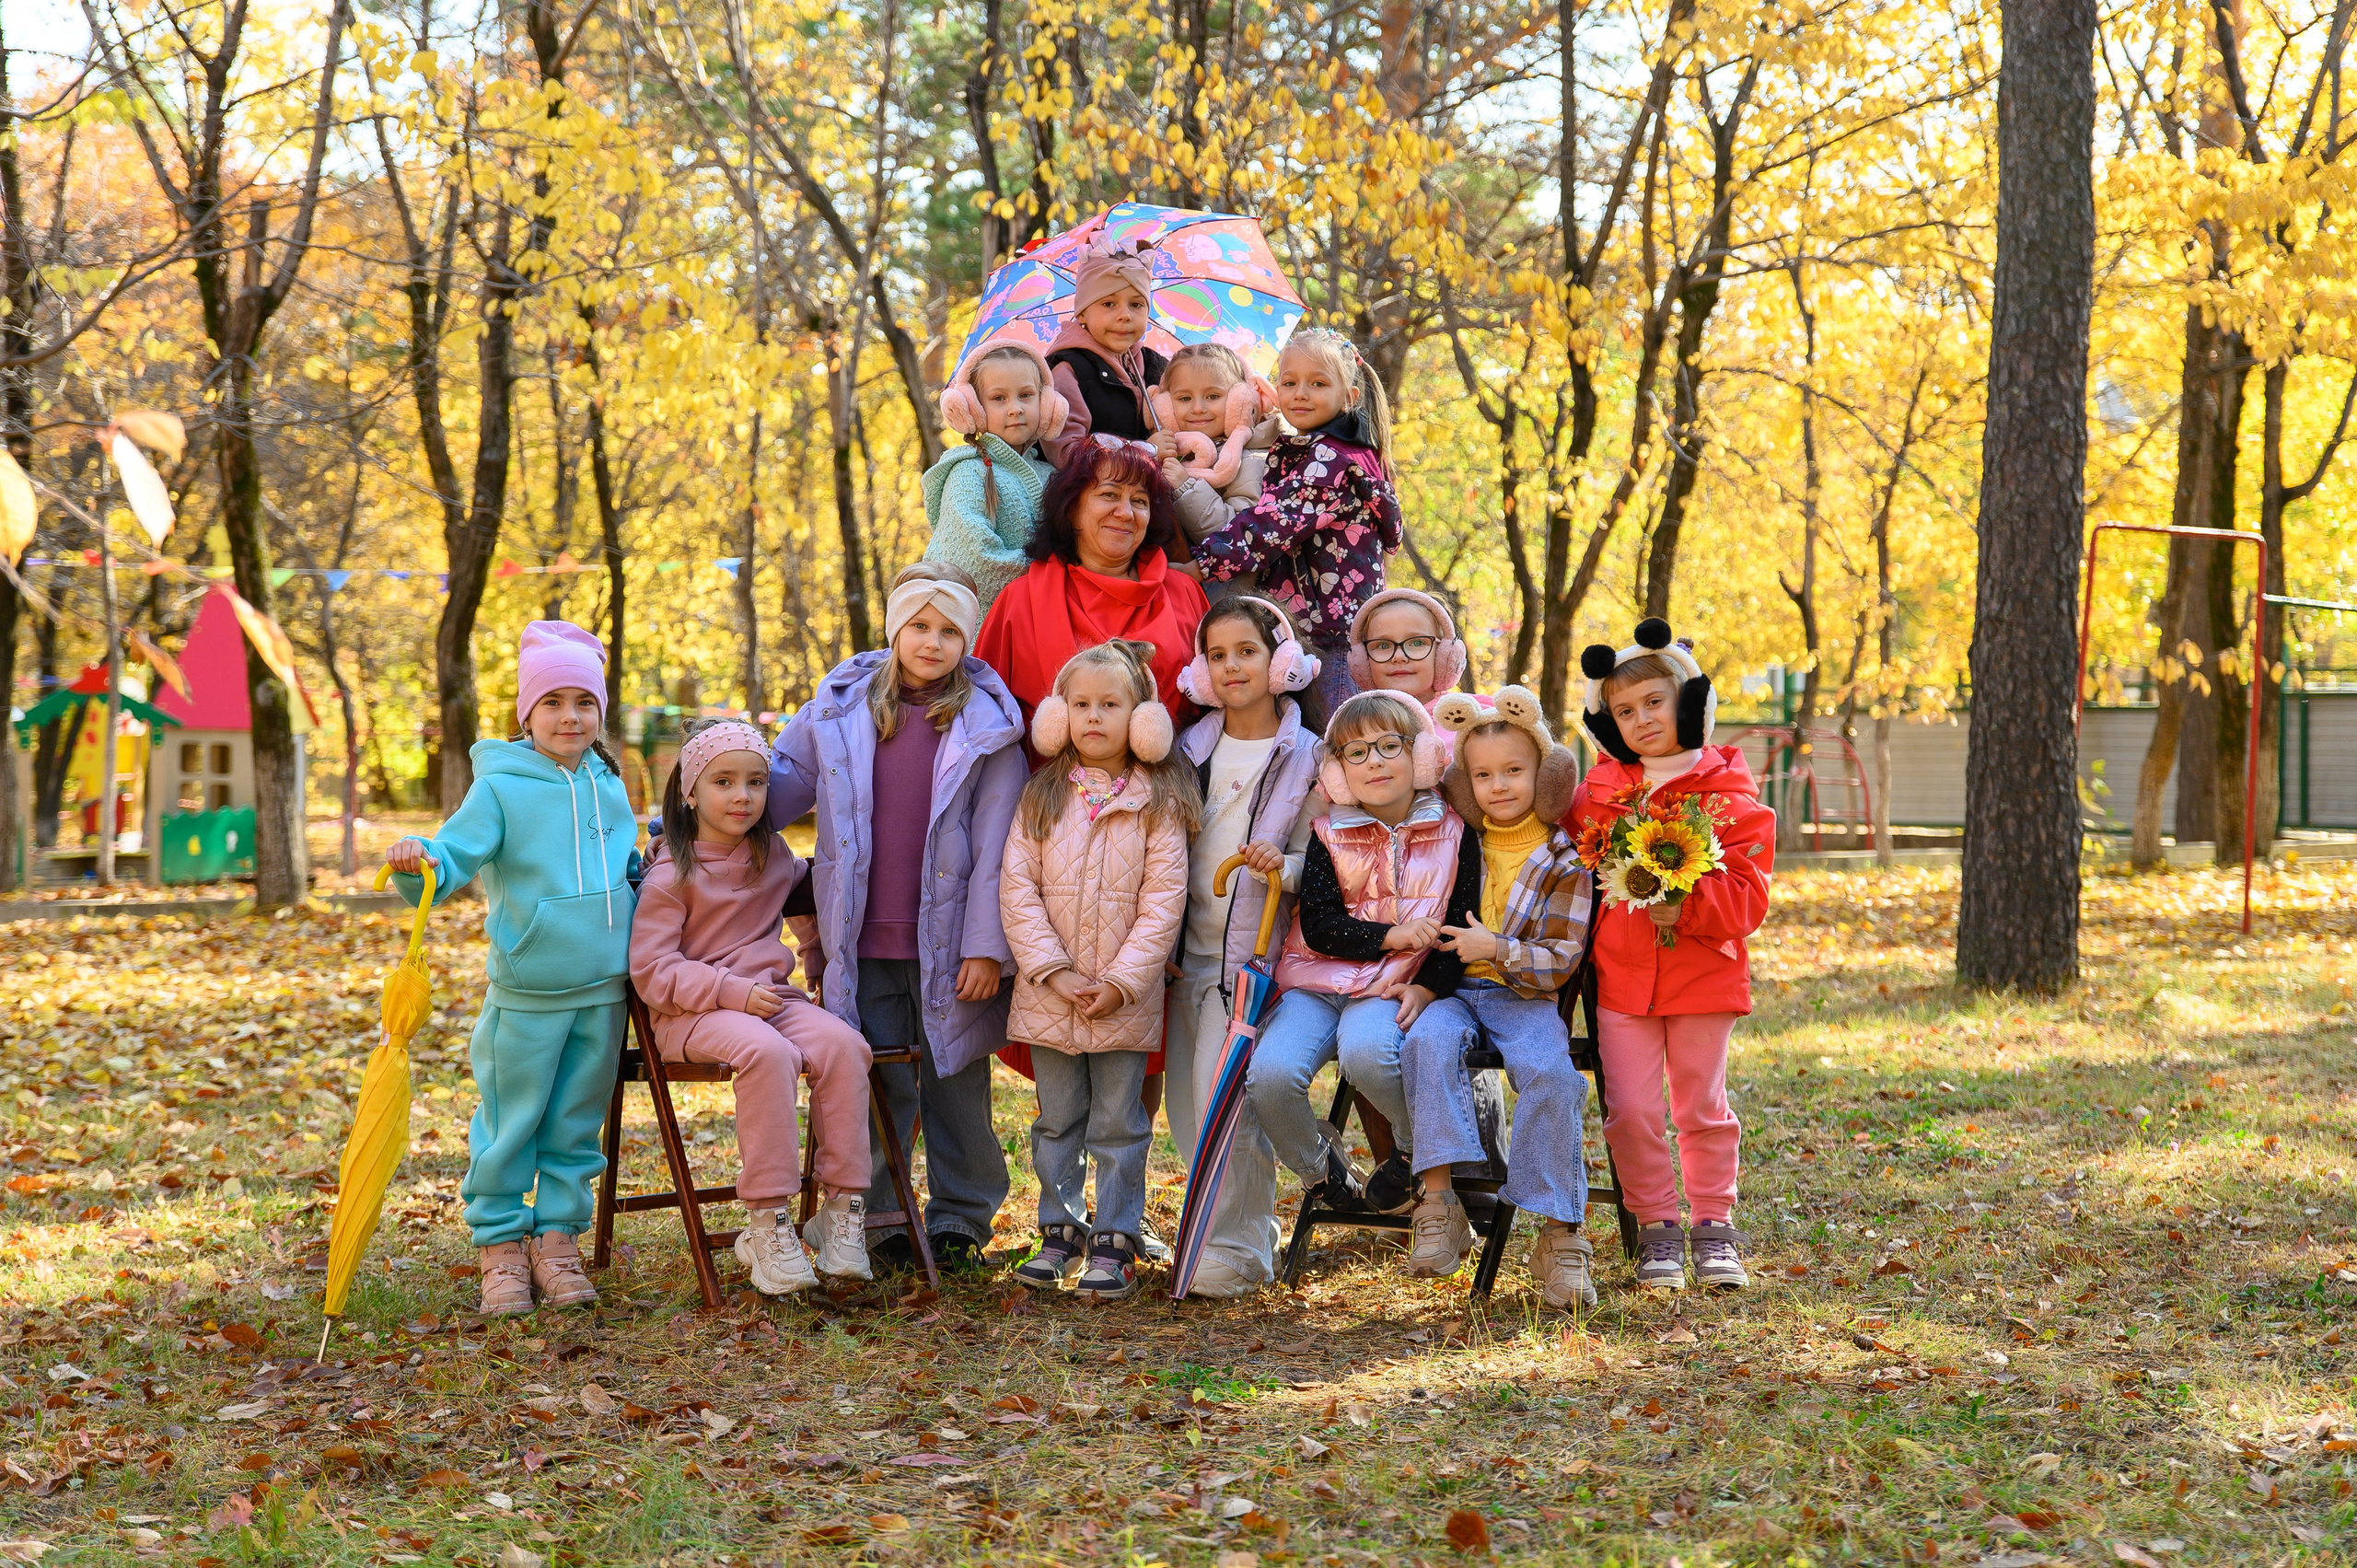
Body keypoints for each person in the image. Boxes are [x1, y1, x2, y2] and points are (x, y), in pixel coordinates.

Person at [763, 563, 1028, 1272]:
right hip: (862, 938)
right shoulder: (838, 709)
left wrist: (985, 947)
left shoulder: (990, 725)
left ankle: (961, 1219)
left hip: (953, 944)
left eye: (949, 631)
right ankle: (879, 1216)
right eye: (919, 625)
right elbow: (775, 788)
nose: (932, 642)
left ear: (967, 640)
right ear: (894, 629)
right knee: (876, 1080)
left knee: (955, 1079)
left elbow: (998, 847)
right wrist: (695, 815)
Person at [385, 621, 637, 1318]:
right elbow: (452, 856)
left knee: (575, 1127)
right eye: (552, 702)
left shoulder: (609, 782)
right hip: (528, 995)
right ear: (527, 713)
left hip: (604, 992)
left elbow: (629, 869)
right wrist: (418, 859)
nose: (569, 716)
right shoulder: (499, 788)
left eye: (584, 702)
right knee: (511, 1123)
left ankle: (557, 1242)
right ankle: (500, 1246)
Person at [630, 720, 875, 1295]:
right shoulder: (671, 874)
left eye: (756, 782)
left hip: (769, 1000)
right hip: (691, 1015)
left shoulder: (772, 854)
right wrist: (730, 992)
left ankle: (842, 1210)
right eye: (723, 782)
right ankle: (768, 1221)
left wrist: (819, 971)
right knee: (768, 1053)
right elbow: (652, 970)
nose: (742, 796)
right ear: (690, 793)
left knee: (845, 1046)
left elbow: (808, 908)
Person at [1566, 618, 1774, 1291]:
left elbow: (1749, 900)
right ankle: (1656, 1227)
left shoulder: (1732, 798)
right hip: (1622, 980)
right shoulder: (1597, 796)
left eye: (1654, 701)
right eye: (1624, 711)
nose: (1642, 719)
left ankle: (1713, 1226)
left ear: (1690, 703)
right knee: (1631, 1111)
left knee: (1700, 1107)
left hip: (1702, 977)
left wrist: (1686, 906)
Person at [1000, 641, 1200, 1301]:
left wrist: (1121, 982)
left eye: (1110, 704)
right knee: (1056, 1119)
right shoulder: (1042, 795)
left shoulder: (1158, 802)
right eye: (1080, 704)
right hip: (1049, 995)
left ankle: (1116, 1237)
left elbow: (1163, 902)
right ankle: (1059, 1229)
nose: (1093, 716)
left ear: (1142, 720)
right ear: (1059, 716)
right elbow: (1017, 889)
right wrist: (1051, 971)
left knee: (1119, 1122)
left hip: (1125, 998)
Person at [1243, 691, 1478, 1246]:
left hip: (1391, 985)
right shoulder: (1328, 833)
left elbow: (1461, 925)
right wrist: (1389, 935)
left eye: (1389, 746)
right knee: (1271, 1076)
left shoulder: (1455, 832)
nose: (1374, 761)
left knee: (1368, 1054)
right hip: (1314, 982)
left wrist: (1428, 987)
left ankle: (1413, 1148)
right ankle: (1320, 1169)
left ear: (1422, 756)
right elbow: (1319, 924)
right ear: (1338, 772)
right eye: (1356, 752)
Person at [1404, 688, 1596, 1298]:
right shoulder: (1453, 842)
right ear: (1465, 782)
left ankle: (1560, 1237)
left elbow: (1561, 961)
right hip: (1452, 991)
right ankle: (1440, 1205)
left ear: (1545, 775)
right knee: (1426, 1043)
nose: (1499, 785)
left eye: (1514, 770)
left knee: (1554, 1076)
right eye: (1483, 775)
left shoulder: (1565, 860)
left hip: (1524, 997)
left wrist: (1498, 948)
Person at [1166, 597, 1325, 1297]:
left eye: (1247, 652)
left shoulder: (1307, 754)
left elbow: (1325, 862)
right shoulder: (1186, 750)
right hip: (1185, 951)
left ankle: (1242, 1248)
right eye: (1217, 655)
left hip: (1252, 961)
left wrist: (1282, 866)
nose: (1232, 666)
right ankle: (1214, 1231)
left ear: (1280, 661)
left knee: (1223, 1096)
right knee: (1185, 1101)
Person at [1193, 328, 1405, 718]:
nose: (1300, 393)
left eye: (1318, 384)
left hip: (1328, 639)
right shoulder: (1333, 451)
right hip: (1323, 631)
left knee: (1332, 740)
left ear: (1349, 396)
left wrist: (1201, 563)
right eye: (1289, 383)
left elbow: (1271, 526)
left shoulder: (1331, 459)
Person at [974, 438, 1209, 737]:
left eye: (1140, 501)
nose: (1126, 513)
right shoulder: (1019, 601)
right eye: (1110, 494)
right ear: (1072, 507)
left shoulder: (1184, 593)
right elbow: (981, 719)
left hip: (1175, 765)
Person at [923, 342, 1069, 610]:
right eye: (999, 398)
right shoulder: (968, 473)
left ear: (1047, 403)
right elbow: (974, 561)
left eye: (1026, 395)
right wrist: (1056, 573)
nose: (1015, 408)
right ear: (974, 408)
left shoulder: (1051, 475)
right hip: (983, 625)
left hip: (1041, 620)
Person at [1151, 343, 1278, 592]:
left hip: (1220, 597)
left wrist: (1185, 488)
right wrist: (1149, 452)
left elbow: (1236, 534)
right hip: (1170, 588)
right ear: (1163, 406)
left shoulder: (1249, 459)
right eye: (1184, 398)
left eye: (1212, 396)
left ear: (1241, 400)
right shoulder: (1172, 450)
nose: (1198, 408)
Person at [1043, 238, 1168, 465]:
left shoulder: (1155, 366)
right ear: (1082, 313)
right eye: (1109, 304)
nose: (1125, 315)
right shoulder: (1069, 371)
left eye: (1136, 304)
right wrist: (1146, 451)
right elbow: (1067, 455)